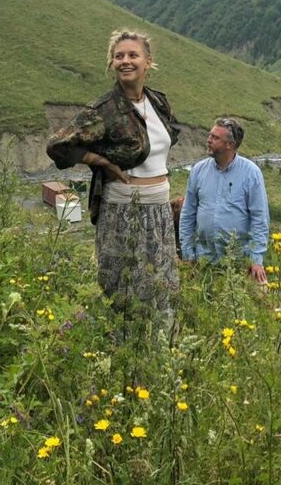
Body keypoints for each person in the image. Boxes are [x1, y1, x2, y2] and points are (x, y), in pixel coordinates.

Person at [46, 30, 180, 324]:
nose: (125, 61)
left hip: (159, 210)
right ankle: (120, 358)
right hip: (123, 212)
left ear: (148, 62)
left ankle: (158, 357)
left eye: (133, 55)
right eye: (118, 56)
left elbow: (166, 141)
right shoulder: (104, 109)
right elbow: (58, 145)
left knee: (162, 288)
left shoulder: (158, 103)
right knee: (123, 291)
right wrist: (100, 161)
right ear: (111, 63)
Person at [179, 118, 270, 284]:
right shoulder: (198, 171)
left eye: (215, 137)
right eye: (209, 135)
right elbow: (187, 214)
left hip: (238, 261)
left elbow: (260, 218)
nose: (208, 140)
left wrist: (256, 259)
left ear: (230, 144)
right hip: (203, 260)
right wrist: (187, 253)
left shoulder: (251, 173)